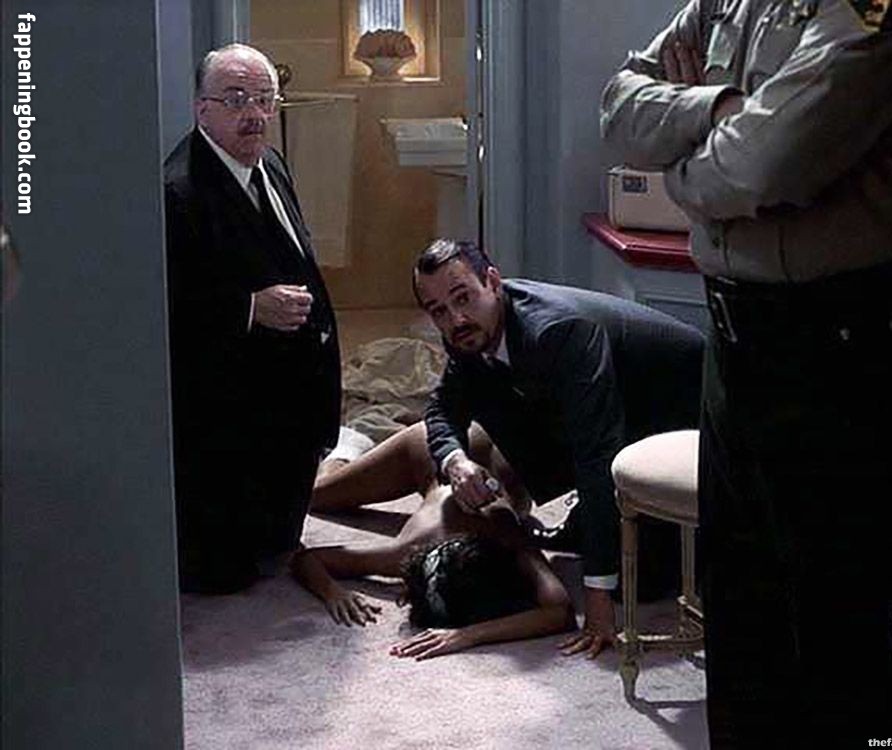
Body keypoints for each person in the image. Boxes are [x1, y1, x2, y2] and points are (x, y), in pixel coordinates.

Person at [601, 0, 892, 744]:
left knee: (831, 633)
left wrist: (680, 171)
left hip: (839, 347)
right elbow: (618, 110)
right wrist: (719, 108)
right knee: (740, 621)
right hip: (736, 341)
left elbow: (763, 165)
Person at [312, 239, 705, 657]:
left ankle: (347, 446)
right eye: (438, 310)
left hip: (686, 412)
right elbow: (443, 406)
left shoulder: (557, 331)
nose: (455, 318)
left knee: (644, 579)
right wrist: (455, 461)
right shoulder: (466, 331)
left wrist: (598, 597)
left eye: (463, 297)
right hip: (571, 419)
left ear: (493, 282)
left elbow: (597, 458)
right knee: (629, 569)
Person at [164, 44, 341, 594]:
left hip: (289, 382)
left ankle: (279, 544)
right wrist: (249, 306)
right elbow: (168, 299)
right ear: (202, 108)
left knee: (279, 528)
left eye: (265, 99)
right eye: (237, 100)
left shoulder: (271, 163)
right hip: (229, 397)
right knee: (226, 571)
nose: (255, 114)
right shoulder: (178, 191)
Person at [295, 473, 575, 660]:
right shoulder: (402, 554)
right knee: (311, 496)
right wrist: (332, 592)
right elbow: (307, 559)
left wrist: (467, 635)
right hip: (428, 456)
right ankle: (350, 444)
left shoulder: (507, 540)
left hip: (495, 455)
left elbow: (560, 613)